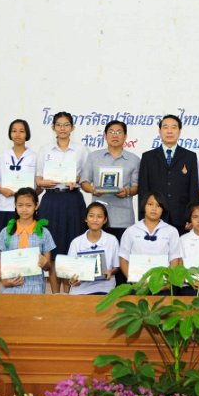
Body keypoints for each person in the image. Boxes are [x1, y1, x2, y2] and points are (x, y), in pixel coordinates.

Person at [80, 119, 140, 284]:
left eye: (119, 132)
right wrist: (94, 190)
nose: (115, 135)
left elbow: (137, 186)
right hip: (98, 218)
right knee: (99, 256)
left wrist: (127, 191)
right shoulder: (93, 157)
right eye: (111, 132)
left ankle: (122, 292)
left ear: (125, 136)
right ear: (105, 136)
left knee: (122, 258)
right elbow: (84, 182)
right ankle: (97, 291)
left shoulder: (134, 159)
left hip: (123, 217)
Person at [35, 111, 88, 260]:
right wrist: (44, 182)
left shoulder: (81, 150)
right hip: (51, 199)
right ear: (53, 128)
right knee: (51, 243)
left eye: (66, 125)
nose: (62, 128)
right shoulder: (45, 149)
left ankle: (71, 275)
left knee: (73, 239)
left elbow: (86, 176)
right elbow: (38, 179)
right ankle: (52, 276)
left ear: (72, 128)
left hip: (72, 199)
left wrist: (76, 180)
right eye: (58, 125)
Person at [138, 115, 199, 234]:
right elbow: (143, 190)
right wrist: (143, 217)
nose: (169, 131)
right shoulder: (148, 157)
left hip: (182, 218)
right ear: (159, 131)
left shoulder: (190, 156)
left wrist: (192, 216)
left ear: (179, 131)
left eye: (173, 127)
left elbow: (193, 190)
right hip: (154, 217)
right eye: (165, 127)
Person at [0, 188, 58, 294]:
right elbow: (2, 262)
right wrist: (5, 282)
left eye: (28, 205)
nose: (24, 209)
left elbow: (48, 266)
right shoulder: (6, 232)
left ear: (36, 206)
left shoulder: (44, 233)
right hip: (10, 289)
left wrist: (45, 263)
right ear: (15, 206)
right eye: (20, 205)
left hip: (35, 288)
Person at [119, 191, 182, 282]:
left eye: (158, 205)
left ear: (163, 209)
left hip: (162, 284)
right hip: (137, 284)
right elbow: (123, 260)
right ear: (144, 206)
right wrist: (135, 281)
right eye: (150, 204)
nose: (154, 208)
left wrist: (167, 282)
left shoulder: (171, 231)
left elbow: (174, 259)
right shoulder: (131, 231)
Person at [0, 119, 38, 233]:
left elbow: (40, 184)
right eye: (14, 131)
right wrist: (1, 190)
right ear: (10, 134)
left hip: (26, 209)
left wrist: (30, 196)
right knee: (1, 240)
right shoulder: (2, 156)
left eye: (21, 131)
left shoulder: (34, 157)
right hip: (3, 207)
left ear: (27, 134)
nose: (17, 134)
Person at [67, 202, 120, 295]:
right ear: (85, 218)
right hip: (80, 289)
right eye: (91, 216)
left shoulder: (112, 240)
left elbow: (116, 267)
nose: (95, 220)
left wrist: (110, 272)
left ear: (105, 220)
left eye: (99, 216)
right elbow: (71, 270)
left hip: (105, 288)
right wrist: (73, 280)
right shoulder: (76, 242)